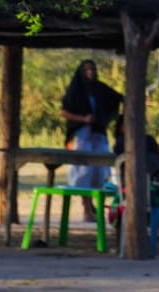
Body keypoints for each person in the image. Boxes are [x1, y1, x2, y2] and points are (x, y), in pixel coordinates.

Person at [60, 59, 122, 222]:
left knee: (99, 169)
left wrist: (105, 117)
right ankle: (86, 208)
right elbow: (64, 112)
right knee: (83, 171)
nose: (91, 73)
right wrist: (83, 119)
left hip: (98, 133)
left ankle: (93, 205)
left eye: (93, 69)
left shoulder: (100, 89)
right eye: (87, 70)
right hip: (82, 134)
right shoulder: (76, 90)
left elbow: (117, 99)